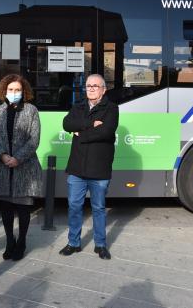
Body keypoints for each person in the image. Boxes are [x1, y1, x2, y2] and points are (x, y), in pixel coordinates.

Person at [59, 74, 118, 260]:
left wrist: (80, 134)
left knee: (99, 208)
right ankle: (73, 243)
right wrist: (91, 124)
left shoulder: (111, 108)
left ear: (103, 89)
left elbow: (107, 132)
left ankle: (100, 245)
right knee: (74, 206)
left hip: (99, 170)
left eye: (95, 86)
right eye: (88, 86)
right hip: (77, 168)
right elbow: (67, 123)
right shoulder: (79, 106)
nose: (91, 89)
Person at [0, 74, 42, 261]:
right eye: (10, 90)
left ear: (24, 91)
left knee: (23, 208)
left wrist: (17, 158)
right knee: (6, 208)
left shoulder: (31, 110)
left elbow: (34, 139)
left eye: (17, 90)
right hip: (2, 167)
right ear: (4, 91)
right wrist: (3, 156)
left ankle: (22, 242)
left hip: (24, 168)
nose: (14, 93)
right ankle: (9, 240)